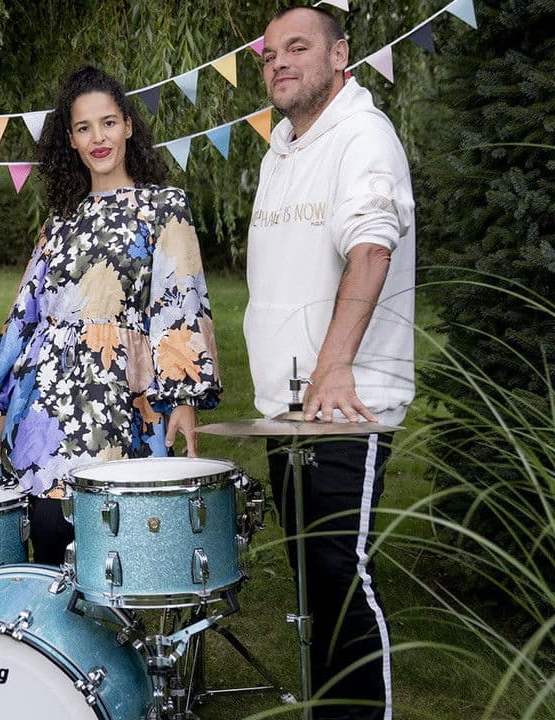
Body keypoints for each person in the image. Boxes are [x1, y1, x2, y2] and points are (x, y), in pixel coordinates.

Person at [0, 66, 222, 566]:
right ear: (70, 139)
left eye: (108, 123)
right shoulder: (60, 220)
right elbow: (25, 312)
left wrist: (183, 399)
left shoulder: (164, 206)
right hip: (46, 401)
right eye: (84, 128)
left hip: (121, 396)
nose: (98, 138)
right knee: (47, 532)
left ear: (128, 125)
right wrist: (2, 402)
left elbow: (181, 302)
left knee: (113, 543)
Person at [247, 7, 416, 719]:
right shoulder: (280, 150)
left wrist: (334, 366)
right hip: (287, 412)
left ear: (340, 54)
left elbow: (371, 248)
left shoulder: (363, 136)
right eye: (269, 55)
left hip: (347, 405)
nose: (279, 63)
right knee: (313, 585)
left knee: (342, 578)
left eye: (298, 48)